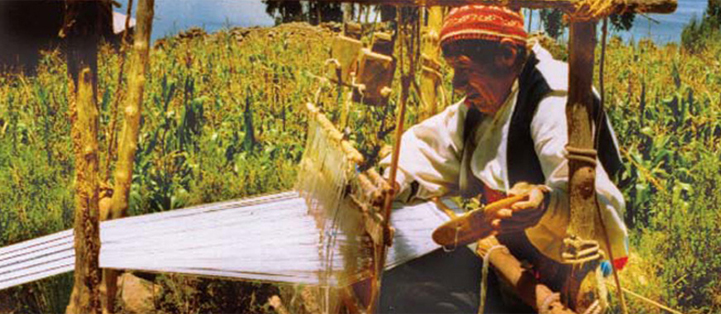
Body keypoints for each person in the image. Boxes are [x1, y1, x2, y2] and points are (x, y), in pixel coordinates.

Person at [378, 5, 629, 313]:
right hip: (511, 258)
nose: (457, 83)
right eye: (453, 69)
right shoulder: (491, 95)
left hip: (561, 272)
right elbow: (432, 144)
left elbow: (591, 206)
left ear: (508, 55)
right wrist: (390, 179)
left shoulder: (553, 100)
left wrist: (545, 205)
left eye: (464, 69)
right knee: (404, 284)